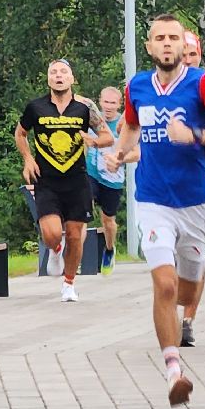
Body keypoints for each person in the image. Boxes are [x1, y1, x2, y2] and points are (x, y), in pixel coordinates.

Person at [107, 15, 205, 406]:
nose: (166, 44)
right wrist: (119, 153)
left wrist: (196, 135)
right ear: (149, 47)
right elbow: (132, 126)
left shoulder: (201, 84)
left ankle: (189, 305)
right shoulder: (136, 87)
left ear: (184, 47)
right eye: (159, 38)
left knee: (186, 290)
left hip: (194, 203)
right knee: (164, 286)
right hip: (152, 200)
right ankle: (173, 373)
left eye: (173, 38)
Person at [16, 59, 113, 302]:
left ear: (72, 78)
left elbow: (107, 137)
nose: (58, 76)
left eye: (63, 72)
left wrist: (93, 141)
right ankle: (55, 250)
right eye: (53, 72)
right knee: (51, 234)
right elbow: (20, 133)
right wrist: (28, 159)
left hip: (77, 179)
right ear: (48, 78)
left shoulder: (84, 107)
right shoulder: (36, 107)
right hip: (46, 179)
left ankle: (69, 284)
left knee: (74, 233)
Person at [178, 31, 205, 345]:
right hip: (161, 186)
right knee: (169, 258)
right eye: (183, 56)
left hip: (195, 184)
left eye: (193, 56)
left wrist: (197, 134)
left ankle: (188, 320)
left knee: (195, 258)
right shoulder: (158, 87)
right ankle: (173, 312)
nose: (187, 62)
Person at [85, 86, 125, 271]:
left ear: (119, 104)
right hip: (91, 171)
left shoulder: (122, 124)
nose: (108, 107)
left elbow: (132, 149)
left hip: (112, 178)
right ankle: (77, 252)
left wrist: (118, 159)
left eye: (113, 103)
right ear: (99, 101)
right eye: (105, 102)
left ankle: (109, 249)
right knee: (82, 206)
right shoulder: (93, 119)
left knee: (107, 220)